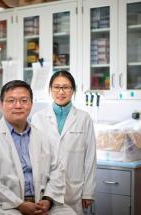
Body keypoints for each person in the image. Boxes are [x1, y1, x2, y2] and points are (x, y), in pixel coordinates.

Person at [0, 80, 76, 215]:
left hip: (41, 203)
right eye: (11, 101)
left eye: (24, 100)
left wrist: (48, 200)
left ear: (31, 104)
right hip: (3, 206)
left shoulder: (42, 137)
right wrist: (19, 204)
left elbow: (57, 171)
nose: (18, 105)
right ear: (1, 105)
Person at [31, 71, 96, 215]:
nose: (61, 92)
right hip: (45, 189)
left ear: (73, 90)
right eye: (56, 87)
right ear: (50, 90)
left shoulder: (84, 118)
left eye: (66, 87)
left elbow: (90, 158)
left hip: (73, 189)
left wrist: (88, 192)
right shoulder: (38, 118)